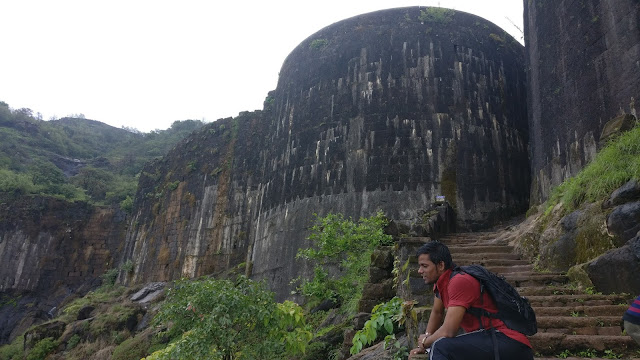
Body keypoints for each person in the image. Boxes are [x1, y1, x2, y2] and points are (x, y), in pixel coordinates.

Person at [408, 241, 533, 360]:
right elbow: (437, 312)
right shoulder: (441, 284)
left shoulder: (459, 282)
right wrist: (423, 346)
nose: (420, 271)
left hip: (507, 340)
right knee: (440, 347)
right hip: (491, 340)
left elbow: (449, 331)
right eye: (420, 266)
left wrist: (425, 342)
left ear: (440, 265)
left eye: (424, 266)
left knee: (440, 347)